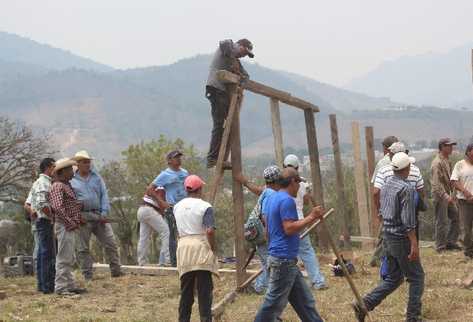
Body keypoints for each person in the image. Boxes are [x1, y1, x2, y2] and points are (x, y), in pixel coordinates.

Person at [353, 152, 424, 322]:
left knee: (394, 278)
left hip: (388, 236)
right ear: (406, 169)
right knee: (416, 277)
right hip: (401, 238)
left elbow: (382, 212)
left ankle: (365, 303)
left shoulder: (386, 186)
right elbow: (408, 220)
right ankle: (413, 317)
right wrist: (414, 243)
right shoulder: (406, 188)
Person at [254, 167, 324, 322]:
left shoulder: (273, 198)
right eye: (298, 183)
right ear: (293, 181)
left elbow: (268, 229)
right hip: (283, 259)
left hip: (284, 258)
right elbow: (289, 228)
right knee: (272, 304)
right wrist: (312, 216)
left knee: (305, 303)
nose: (299, 187)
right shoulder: (287, 201)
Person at [370, 142, 425, 266]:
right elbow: (421, 191)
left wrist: (380, 212)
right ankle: (411, 261)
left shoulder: (383, 170)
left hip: (389, 216)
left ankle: (384, 264)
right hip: (409, 216)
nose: (387, 154)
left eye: (389, 152)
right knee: (410, 242)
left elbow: (375, 192)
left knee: (386, 241)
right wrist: (416, 206)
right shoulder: (415, 170)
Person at [71, 150, 122, 280]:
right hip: (83, 216)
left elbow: (104, 194)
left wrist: (104, 212)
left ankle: (116, 271)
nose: (87, 164)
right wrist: (77, 215)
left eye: (88, 162)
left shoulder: (97, 177)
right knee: (82, 247)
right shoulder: (71, 180)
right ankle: (87, 274)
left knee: (110, 243)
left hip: (99, 214)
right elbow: (70, 200)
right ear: (77, 164)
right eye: (84, 162)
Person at [174, 175, 218, 322]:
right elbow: (210, 230)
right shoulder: (205, 206)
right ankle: (205, 319)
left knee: (186, 291)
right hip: (200, 247)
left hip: (184, 247)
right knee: (204, 291)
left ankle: (183, 319)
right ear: (200, 189)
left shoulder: (177, 206)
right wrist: (212, 248)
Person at [206, 38, 254, 168]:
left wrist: (240, 79)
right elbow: (224, 44)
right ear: (239, 45)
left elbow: (246, 77)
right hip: (216, 90)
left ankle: (221, 157)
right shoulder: (227, 46)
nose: (244, 55)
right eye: (245, 51)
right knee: (219, 124)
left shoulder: (236, 62)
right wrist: (233, 62)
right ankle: (212, 158)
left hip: (223, 93)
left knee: (230, 124)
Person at [235, 165, 282, 294]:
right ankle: (259, 287)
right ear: (277, 180)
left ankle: (261, 286)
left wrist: (245, 182)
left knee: (266, 259)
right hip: (261, 230)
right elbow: (265, 216)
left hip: (256, 230)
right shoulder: (271, 194)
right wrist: (268, 232)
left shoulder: (267, 191)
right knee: (268, 261)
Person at [283, 154, 327, 290]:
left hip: (286, 221)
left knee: (286, 253)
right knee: (306, 251)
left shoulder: (281, 183)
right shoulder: (302, 183)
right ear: (297, 168)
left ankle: (289, 284)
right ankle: (318, 281)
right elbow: (307, 201)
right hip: (300, 220)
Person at [142, 150, 189, 267]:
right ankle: (172, 262)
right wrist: (162, 202)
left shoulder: (184, 173)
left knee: (185, 233)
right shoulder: (165, 174)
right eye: (175, 157)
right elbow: (150, 189)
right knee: (172, 234)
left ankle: (184, 259)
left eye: (179, 157)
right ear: (169, 161)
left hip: (185, 207)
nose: (179, 159)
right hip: (173, 207)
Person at [49, 158, 87, 295]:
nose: (72, 171)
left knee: (69, 256)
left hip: (69, 225)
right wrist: (70, 222)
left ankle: (70, 285)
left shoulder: (66, 185)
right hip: (65, 225)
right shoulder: (58, 186)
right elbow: (57, 207)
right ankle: (60, 288)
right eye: (70, 169)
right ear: (63, 171)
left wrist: (77, 218)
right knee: (64, 257)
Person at [29, 158, 56, 294]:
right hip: (44, 221)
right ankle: (46, 285)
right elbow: (41, 203)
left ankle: (43, 284)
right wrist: (51, 217)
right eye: (53, 166)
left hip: (43, 221)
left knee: (43, 253)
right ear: (48, 167)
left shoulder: (44, 182)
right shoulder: (42, 183)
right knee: (46, 253)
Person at [431, 138, 461, 252]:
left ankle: (450, 242)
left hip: (447, 195)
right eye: (449, 146)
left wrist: (452, 194)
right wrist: (445, 196)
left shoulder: (447, 160)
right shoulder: (437, 162)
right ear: (442, 147)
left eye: (452, 145)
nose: (451, 148)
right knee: (441, 221)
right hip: (440, 196)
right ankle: (440, 246)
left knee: (456, 217)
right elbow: (436, 184)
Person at [451, 143, 473, 259]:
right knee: (466, 228)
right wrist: (465, 192)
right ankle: (468, 252)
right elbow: (454, 181)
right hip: (464, 202)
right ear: (469, 152)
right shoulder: (460, 165)